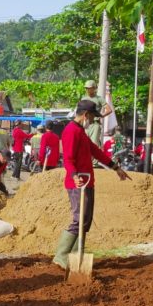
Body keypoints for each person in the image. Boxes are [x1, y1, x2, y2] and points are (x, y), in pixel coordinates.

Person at [53, 100, 130, 271]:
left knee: (85, 220)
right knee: (78, 219)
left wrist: (115, 167)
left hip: (87, 181)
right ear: (86, 115)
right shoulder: (71, 131)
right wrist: (74, 176)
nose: (93, 120)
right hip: (77, 182)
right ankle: (61, 256)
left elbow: (95, 151)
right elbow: (68, 158)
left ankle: (75, 255)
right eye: (93, 117)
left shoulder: (80, 131)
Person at [81, 80, 113, 147]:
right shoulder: (83, 98)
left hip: (95, 124)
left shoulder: (99, 99)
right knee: (84, 144)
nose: (87, 90)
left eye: (89, 88)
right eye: (86, 88)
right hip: (85, 124)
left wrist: (100, 116)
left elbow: (109, 110)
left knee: (94, 144)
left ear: (94, 88)